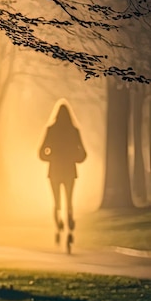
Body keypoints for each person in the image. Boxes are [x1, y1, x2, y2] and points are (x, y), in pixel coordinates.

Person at [39, 101, 86, 253]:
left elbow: (41, 152)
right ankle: (70, 225)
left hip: (54, 170)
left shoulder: (51, 130)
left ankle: (58, 223)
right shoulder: (74, 130)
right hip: (69, 170)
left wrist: (50, 157)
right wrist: (74, 158)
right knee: (69, 200)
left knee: (56, 201)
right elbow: (83, 153)